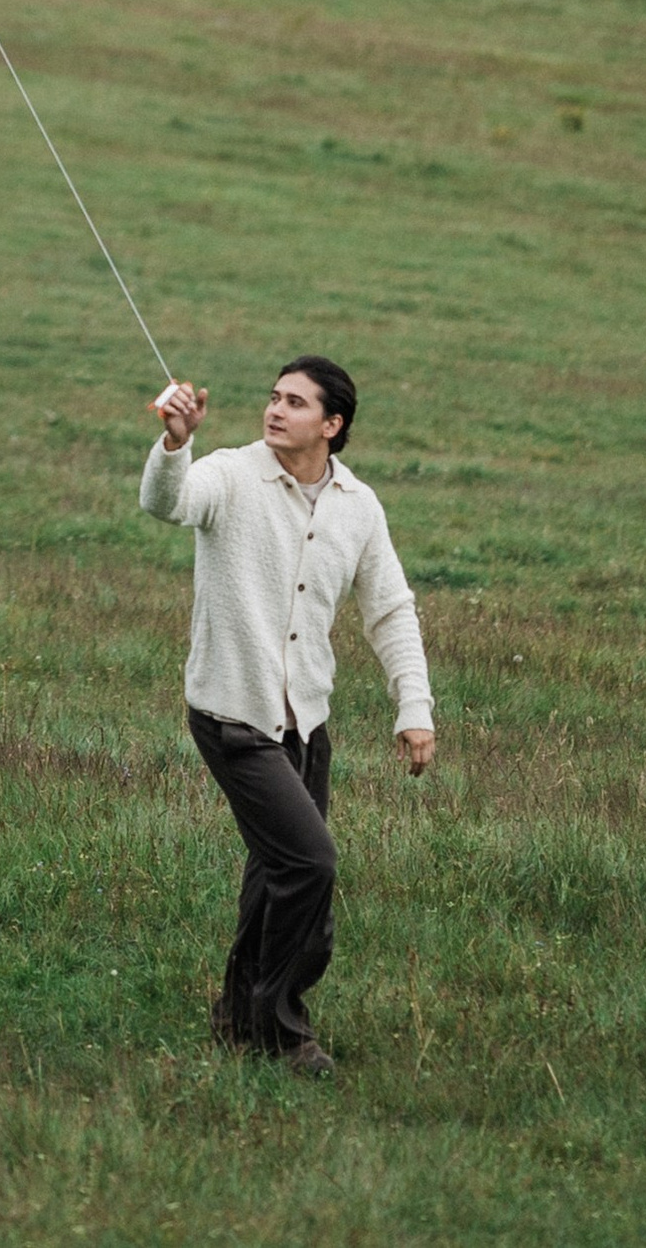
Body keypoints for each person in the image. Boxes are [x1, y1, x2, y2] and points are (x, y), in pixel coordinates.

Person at [141, 357, 434, 1077]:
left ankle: (238, 1019)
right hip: (232, 715)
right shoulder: (232, 474)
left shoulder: (359, 505)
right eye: (274, 397)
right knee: (310, 863)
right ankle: (280, 1030)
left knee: (275, 868)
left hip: (306, 720)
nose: (275, 410)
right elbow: (166, 502)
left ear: (332, 425)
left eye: (296, 402)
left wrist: (414, 706)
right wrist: (175, 443)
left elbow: (390, 608)